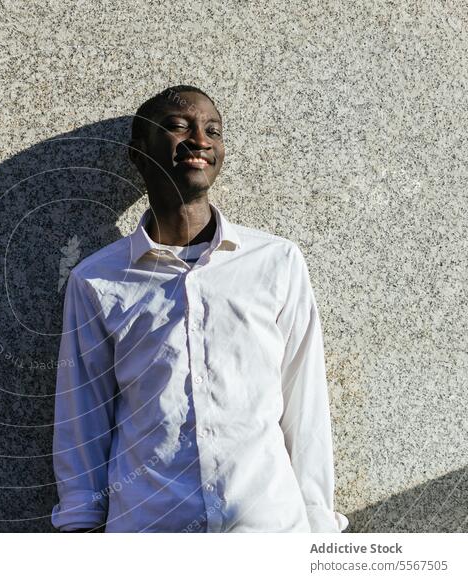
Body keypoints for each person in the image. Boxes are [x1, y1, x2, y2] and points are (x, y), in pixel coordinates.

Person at [50, 85, 349, 533]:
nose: (201, 140)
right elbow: (83, 411)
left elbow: (305, 402)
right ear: (138, 153)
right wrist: (80, 524)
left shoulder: (276, 262)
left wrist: (318, 527)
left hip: (268, 532)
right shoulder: (97, 279)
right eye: (177, 127)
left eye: (213, 130)